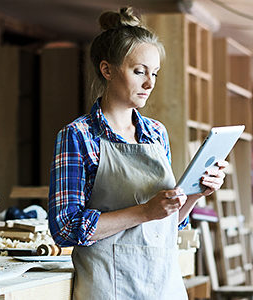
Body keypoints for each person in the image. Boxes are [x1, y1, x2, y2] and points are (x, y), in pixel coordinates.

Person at [48, 7, 227, 300]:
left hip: (164, 286)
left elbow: (169, 223)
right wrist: (145, 211)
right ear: (107, 70)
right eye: (139, 71)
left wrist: (196, 194)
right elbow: (66, 229)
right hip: (109, 288)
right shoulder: (78, 136)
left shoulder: (157, 133)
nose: (150, 83)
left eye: (154, 73)